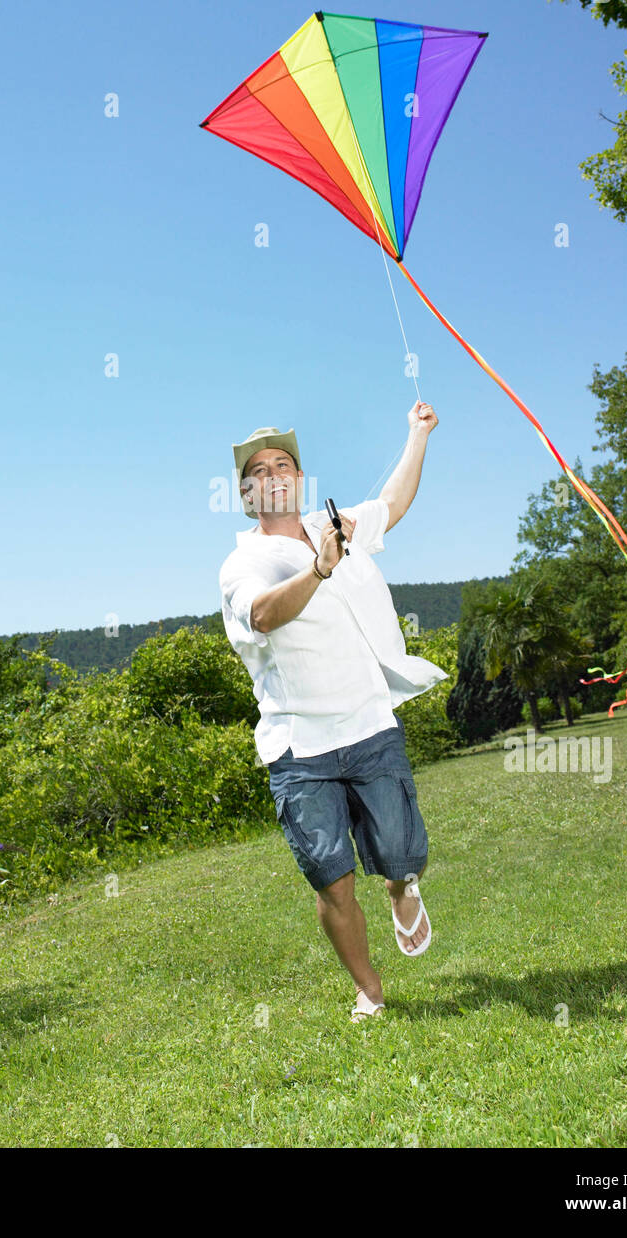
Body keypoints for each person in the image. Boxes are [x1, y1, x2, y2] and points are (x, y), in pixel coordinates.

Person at [218, 403, 448, 1023]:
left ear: (298, 480)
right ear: (246, 494)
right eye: (258, 470)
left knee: (400, 852)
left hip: (368, 724)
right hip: (299, 748)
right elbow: (263, 615)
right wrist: (321, 567)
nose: (273, 475)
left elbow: (393, 505)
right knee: (332, 879)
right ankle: (369, 989)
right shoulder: (244, 563)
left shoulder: (338, 525)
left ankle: (402, 885)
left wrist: (416, 434)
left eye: (284, 464)